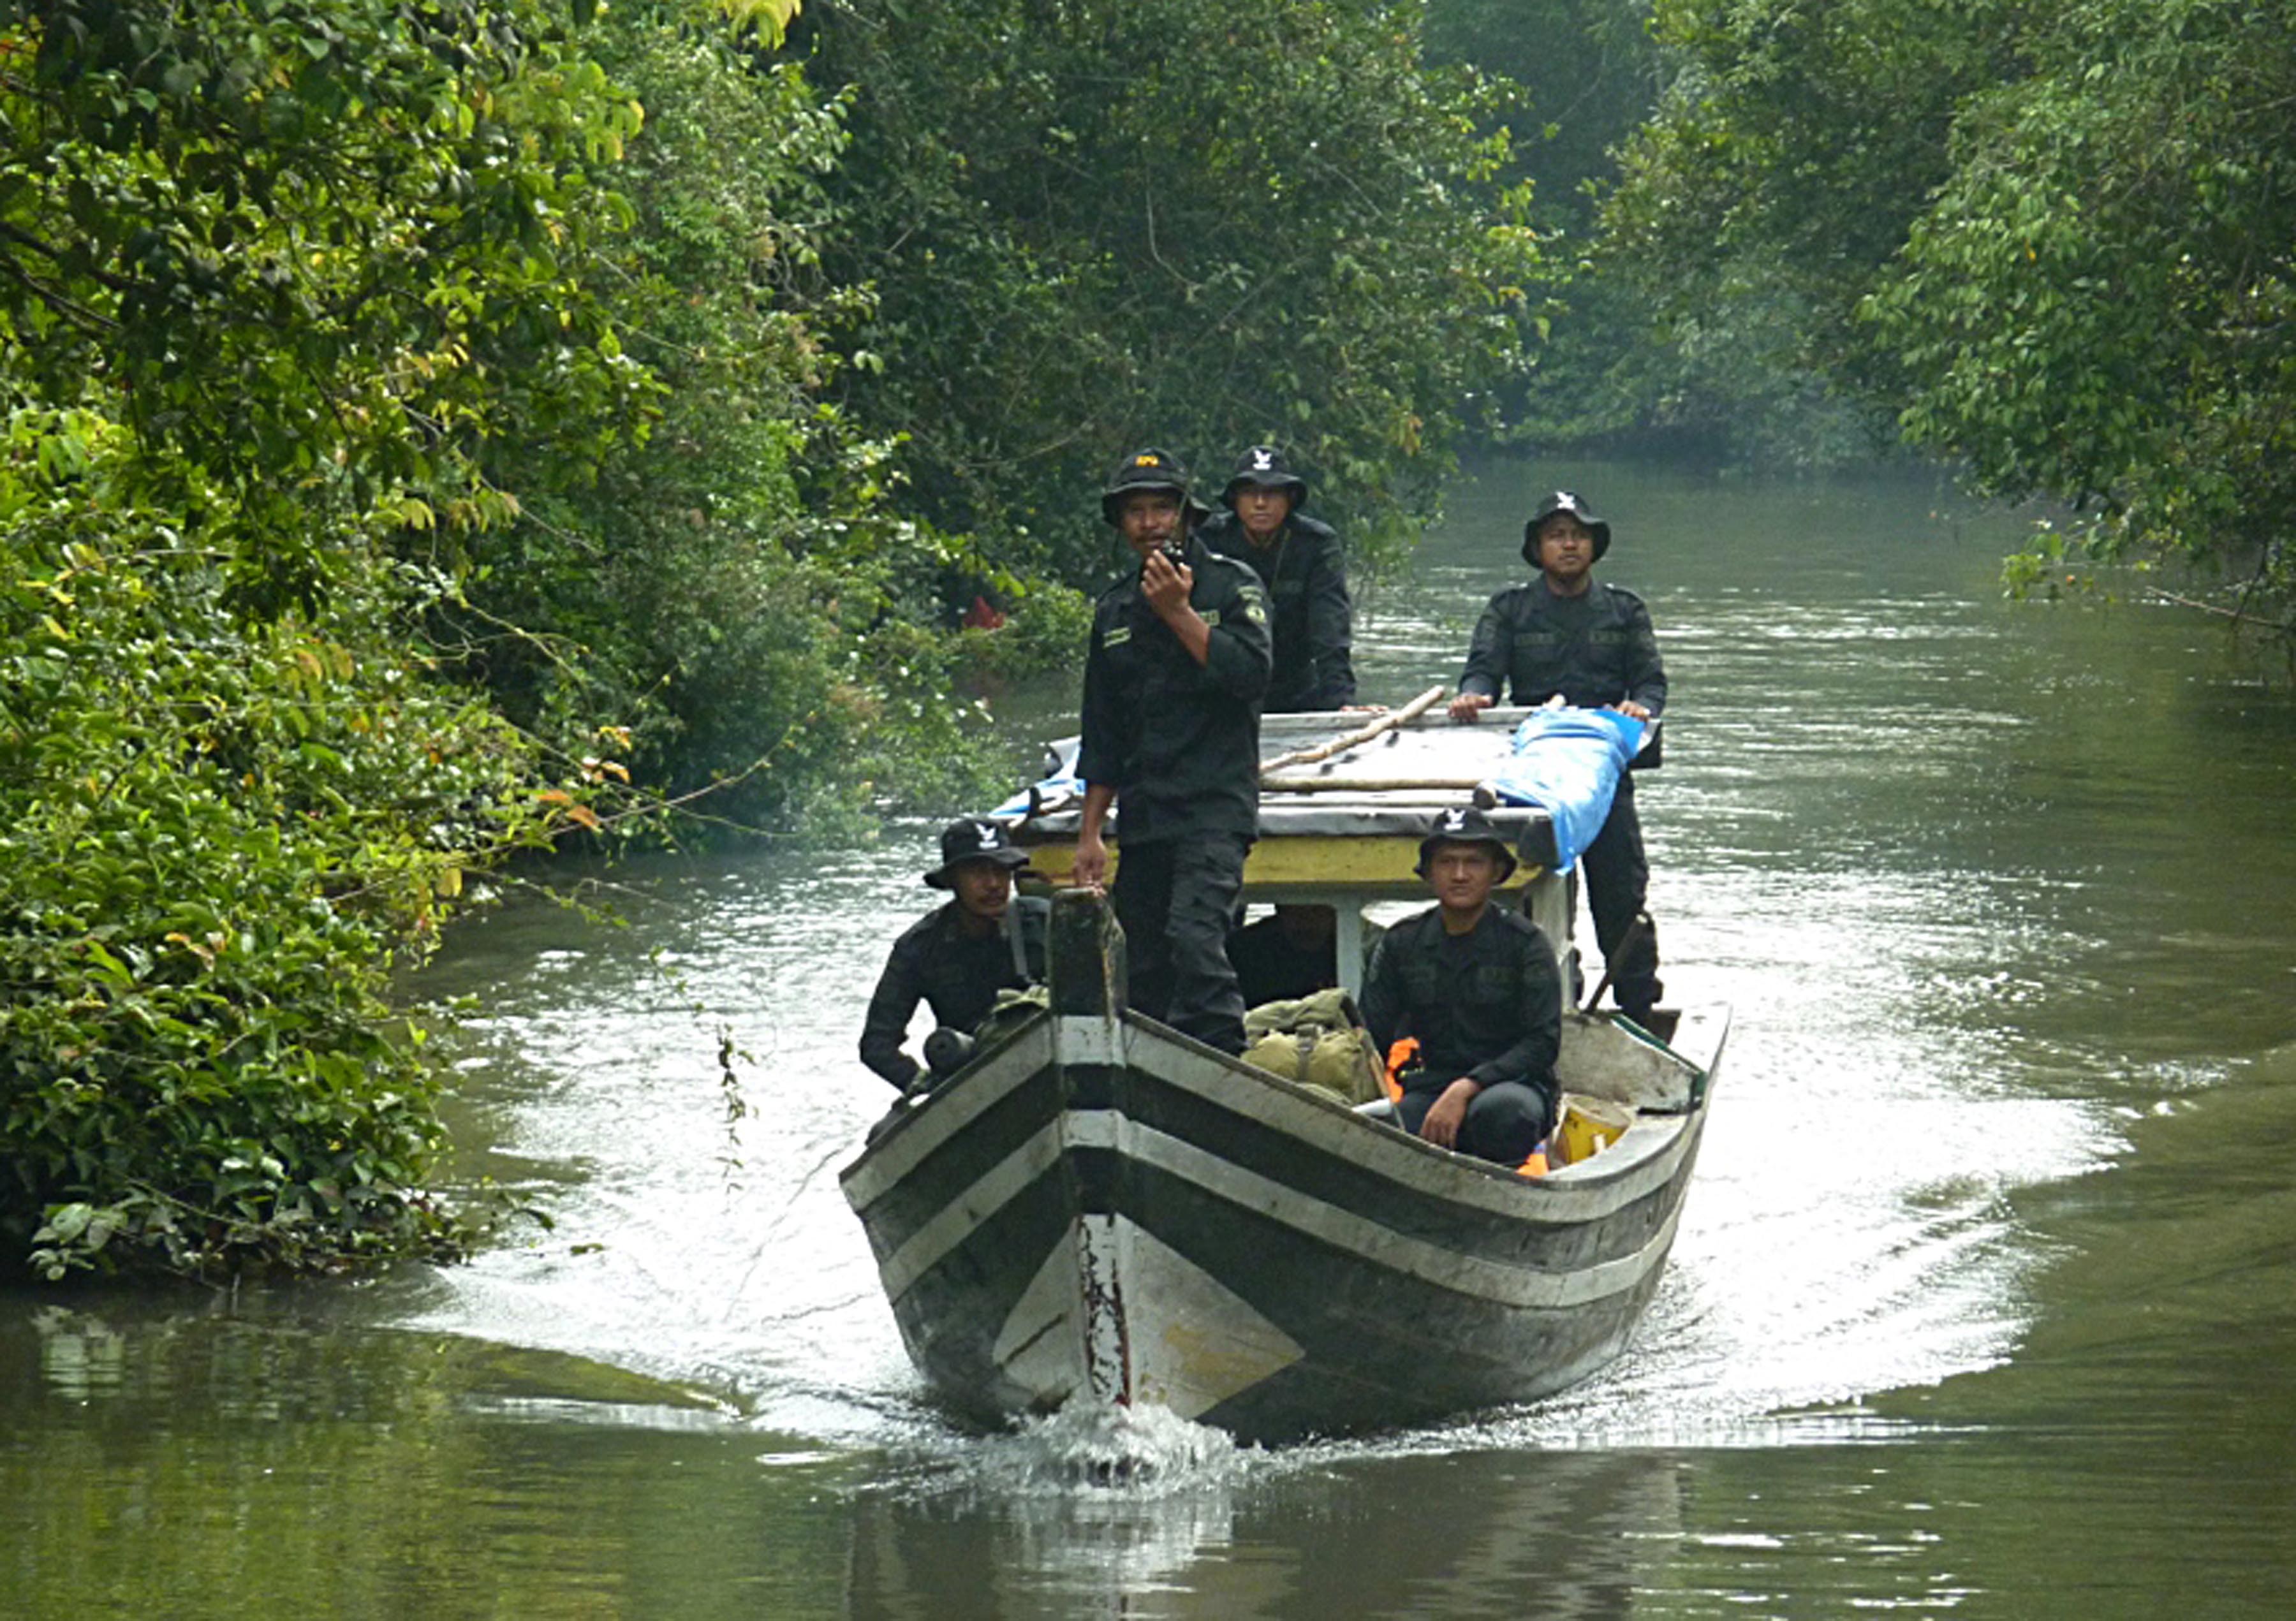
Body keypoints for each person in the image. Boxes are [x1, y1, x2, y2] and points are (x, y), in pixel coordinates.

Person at [1073, 448, 1274, 1054]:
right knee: (1144, 961)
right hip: (1145, 813)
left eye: (1163, 507)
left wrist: (1180, 613)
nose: (1151, 523)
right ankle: (1151, 1075)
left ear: (1187, 516)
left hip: (1214, 808)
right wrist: (1089, 836)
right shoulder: (1114, 607)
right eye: (1136, 511)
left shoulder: (1231, 583)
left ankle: (1226, 1070)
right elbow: (1102, 730)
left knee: (1195, 939)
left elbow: (1252, 675)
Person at [1446, 489, 1667, 1023]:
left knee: (1621, 894)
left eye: (1578, 535)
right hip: (1536, 778)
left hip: (1603, 776)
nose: (1568, 545)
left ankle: (1640, 1010)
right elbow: (1482, 671)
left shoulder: (1624, 609)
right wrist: (1475, 696)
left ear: (1593, 545)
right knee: (1533, 894)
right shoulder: (1510, 610)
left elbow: (1651, 682)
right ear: (1538, 547)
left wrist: (1639, 706)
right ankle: (1550, 1002)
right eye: (1556, 536)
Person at [1360, 807, 1562, 1164]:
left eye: (1474, 863)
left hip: (1514, 1086)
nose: (1459, 875)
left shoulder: (1525, 944)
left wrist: (1469, 1086)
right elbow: (1372, 1032)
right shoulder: (1403, 943)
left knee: (1503, 1114)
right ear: (1429, 873)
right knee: (1382, 1133)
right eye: (1447, 862)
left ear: (1495, 872)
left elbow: (1542, 1043)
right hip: (1432, 1086)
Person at [858, 818, 1049, 1091]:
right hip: (971, 1082)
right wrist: (924, 1084)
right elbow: (877, 1044)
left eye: (1001, 871)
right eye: (977, 873)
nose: (993, 884)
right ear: (952, 881)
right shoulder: (919, 947)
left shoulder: (1048, 923)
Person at [1193, 444, 1357, 712]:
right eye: (1250, 493)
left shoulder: (1315, 543)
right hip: (1221, 685)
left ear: (1290, 499)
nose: (1260, 503)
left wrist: (1342, 698)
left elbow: (1330, 622)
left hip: (1295, 684)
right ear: (1235, 499)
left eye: (1271, 494)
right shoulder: (1209, 539)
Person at [1228, 903, 1339, 1008]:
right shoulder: (1244, 952)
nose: (1307, 921)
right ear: (1280, 910)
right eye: (1298, 911)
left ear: (1334, 914)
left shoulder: (1350, 951)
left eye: (1317, 911)